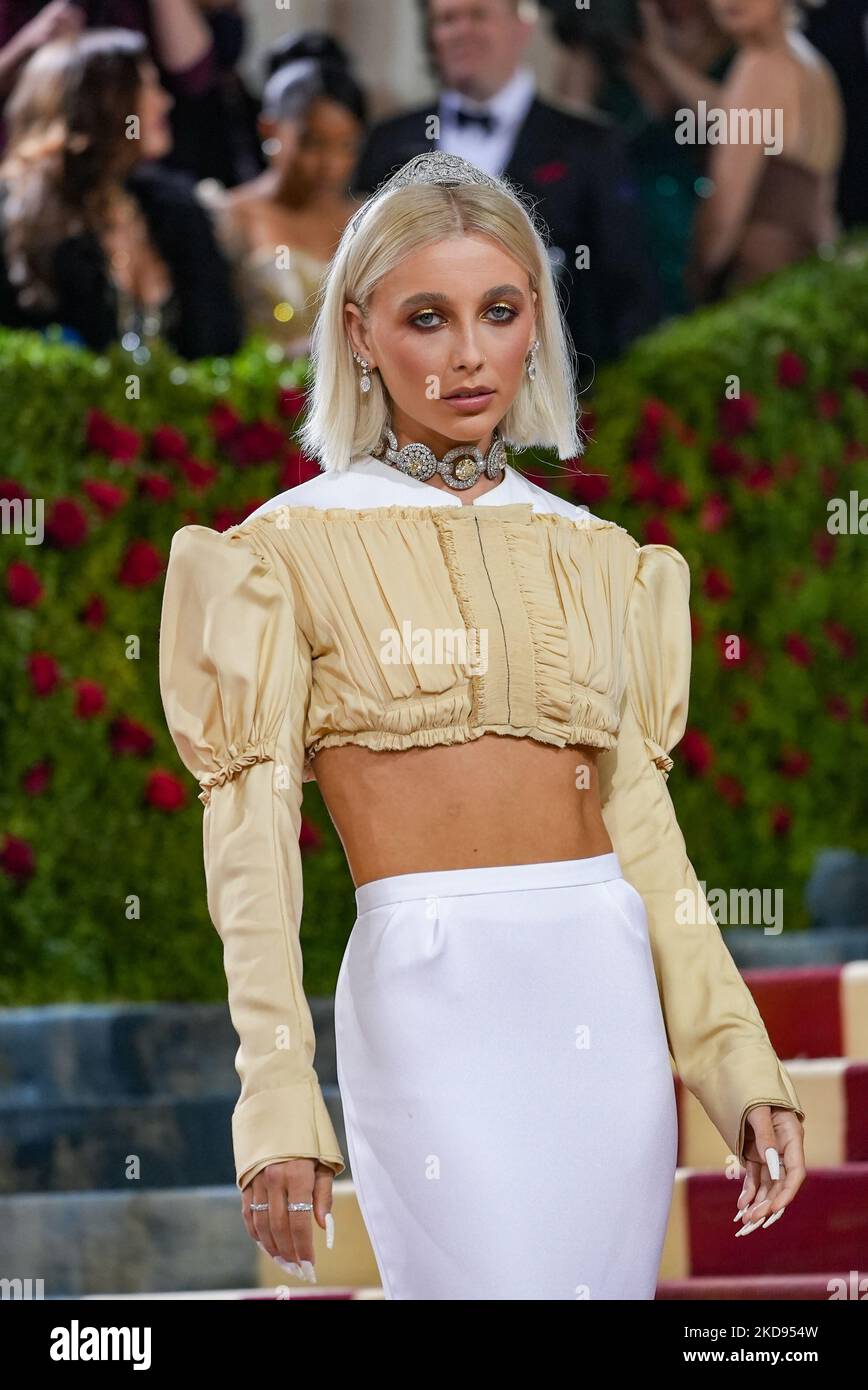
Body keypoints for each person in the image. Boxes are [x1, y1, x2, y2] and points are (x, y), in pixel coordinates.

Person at [158, 151, 806, 1301]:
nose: (468, 354)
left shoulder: (598, 555)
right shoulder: (276, 553)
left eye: (499, 311)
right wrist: (274, 1090)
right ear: (359, 332)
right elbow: (249, 849)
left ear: (533, 324)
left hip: (600, 1002)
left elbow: (643, 834)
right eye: (427, 316)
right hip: (424, 1001)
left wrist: (733, 1057)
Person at [352, 0, 661, 380]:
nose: (462, 30)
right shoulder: (388, 142)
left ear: (522, 26)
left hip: (554, 398)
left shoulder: (589, 146)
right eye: (447, 20)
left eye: (479, 15)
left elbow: (628, 292)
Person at [0, 28, 241, 358]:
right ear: (103, 102)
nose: (165, 101)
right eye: (150, 86)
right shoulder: (16, 219)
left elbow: (221, 346)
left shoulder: (175, 210)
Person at [636, 0, 844, 301]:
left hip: (761, 292)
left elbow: (724, 213)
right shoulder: (811, 64)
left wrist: (697, 280)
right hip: (810, 282)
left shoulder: (760, 66)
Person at [199, 32, 367, 358]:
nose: (330, 165)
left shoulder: (367, 220)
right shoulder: (227, 215)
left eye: (346, 146)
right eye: (312, 144)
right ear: (269, 130)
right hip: (258, 402)